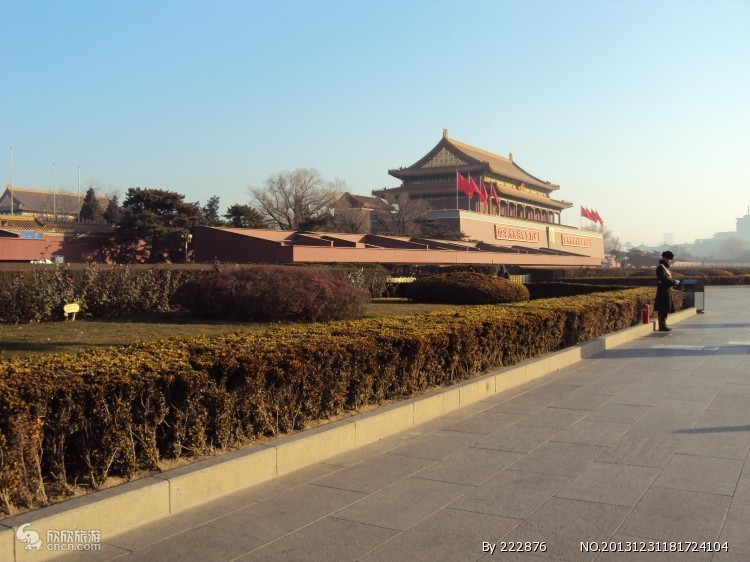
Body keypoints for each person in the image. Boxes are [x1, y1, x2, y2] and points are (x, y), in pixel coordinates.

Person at [654, 250, 680, 331]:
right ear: (665, 258)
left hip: (666, 289)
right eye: (669, 259)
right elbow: (663, 278)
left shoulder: (664, 267)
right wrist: (672, 282)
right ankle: (662, 325)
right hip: (663, 290)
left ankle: (664, 324)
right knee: (663, 308)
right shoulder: (660, 267)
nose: (670, 261)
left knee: (666, 307)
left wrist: (673, 281)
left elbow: (667, 278)